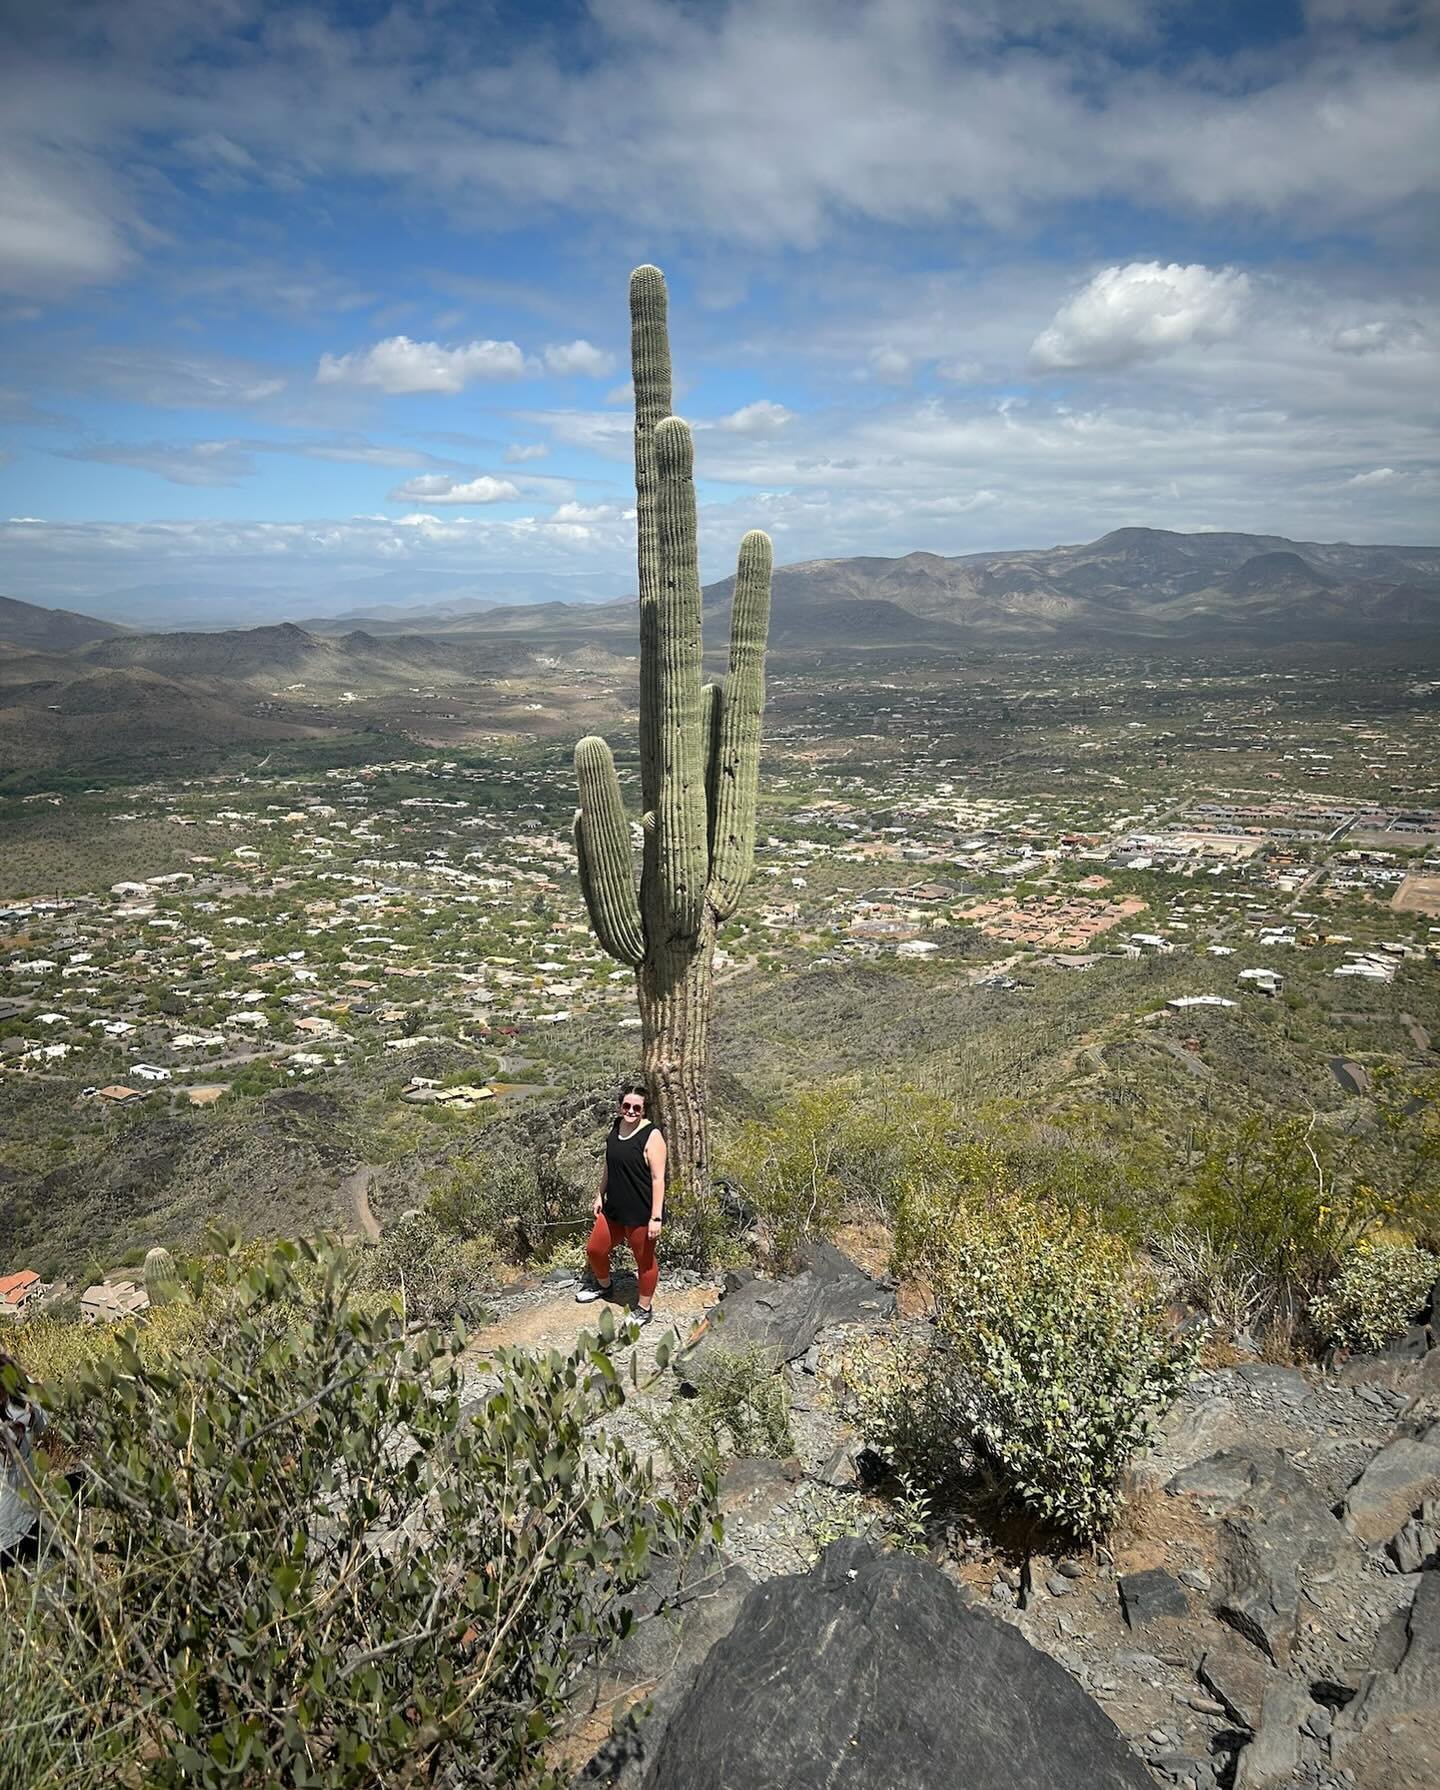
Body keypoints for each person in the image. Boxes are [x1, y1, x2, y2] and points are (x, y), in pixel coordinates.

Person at [577, 1082, 665, 1324]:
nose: (631, 1111)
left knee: (644, 1261)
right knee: (596, 1250)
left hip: (640, 1211)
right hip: (614, 1206)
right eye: (627, 1105)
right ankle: (605, 1286)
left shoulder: (652, 1136)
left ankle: (644, 1309)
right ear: (620, 1107)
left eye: (637, 1107)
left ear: (645, 1110)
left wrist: (656, 1217)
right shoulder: (617, 1127)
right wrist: (599, 1193)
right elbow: (609, 1164)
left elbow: (658, 1179)